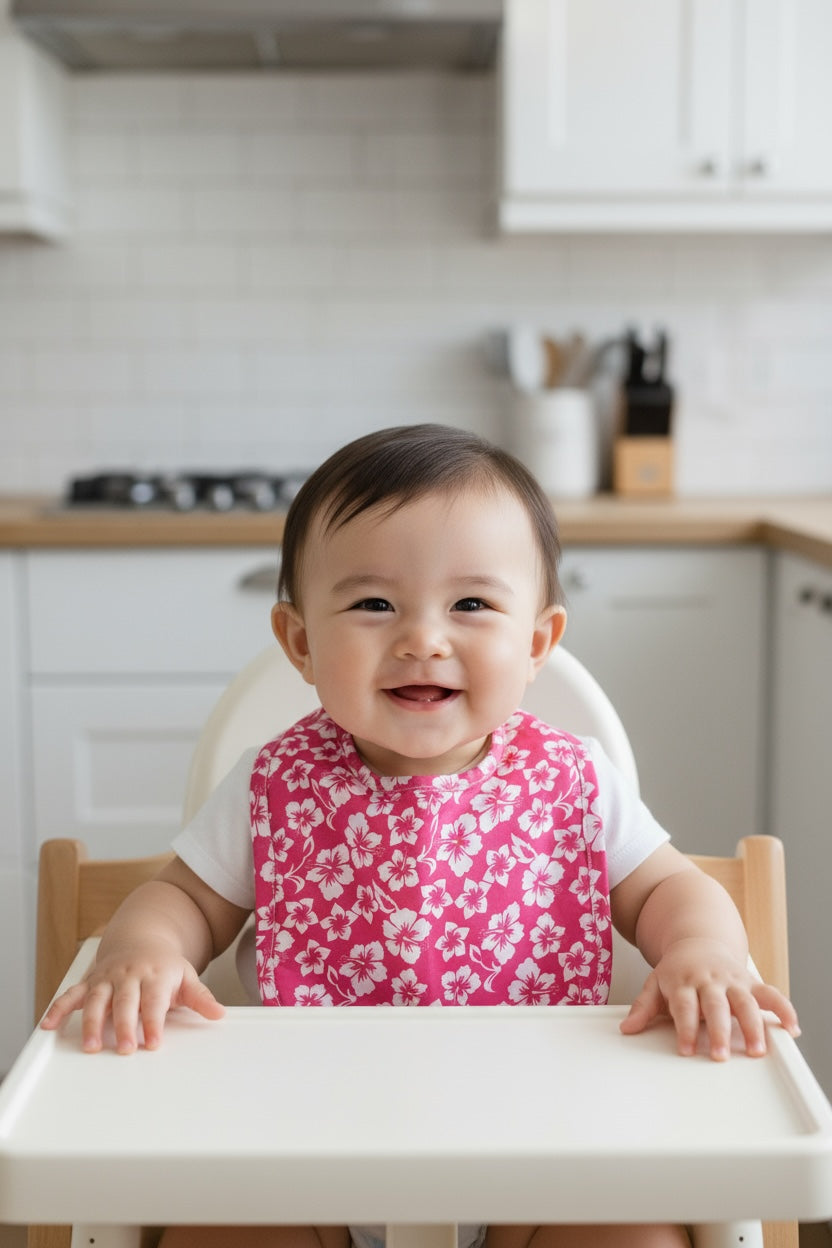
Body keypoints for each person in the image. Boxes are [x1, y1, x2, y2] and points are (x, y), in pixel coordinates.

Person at [43, 423, 799, 1248]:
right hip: (303, 1147)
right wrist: (143, 951)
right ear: (300, 641)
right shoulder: (276, 783)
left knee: (638, 1228)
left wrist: (702, 951)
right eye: (374, 604)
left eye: (471, 604)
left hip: (544, 1143)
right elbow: (184, 896)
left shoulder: (572, 778)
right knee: (217, 1223)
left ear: (538, 640)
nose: (423, 638)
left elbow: (667, 887)